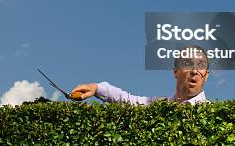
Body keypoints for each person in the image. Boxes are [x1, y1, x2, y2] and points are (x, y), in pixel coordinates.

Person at [70, 45, 209, 105]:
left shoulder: (213, 113)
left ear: (206, 75)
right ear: (175, 71)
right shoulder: (160, 105)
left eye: (201, 66)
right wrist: (97, 88)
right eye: (188, 64)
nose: (194, 71)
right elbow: (128, 100)